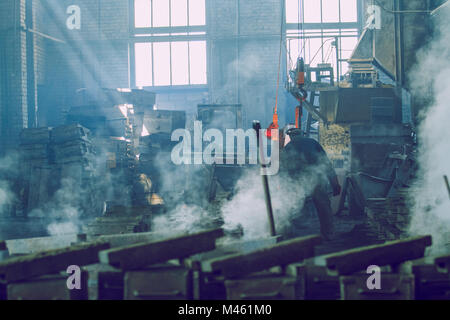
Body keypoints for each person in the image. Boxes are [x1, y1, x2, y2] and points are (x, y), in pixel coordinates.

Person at [278, 125, 341, 240]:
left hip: (297, 181)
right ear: (302, 134)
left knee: (291, 207)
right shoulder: (313, 142)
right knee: (323, 207)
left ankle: (289, 235)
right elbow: (326, 164)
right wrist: (335, 184)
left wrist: (283, 186)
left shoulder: (288, 147)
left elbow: (283, 169)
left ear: (291, 136)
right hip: (316, 179)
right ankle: (328, 234)